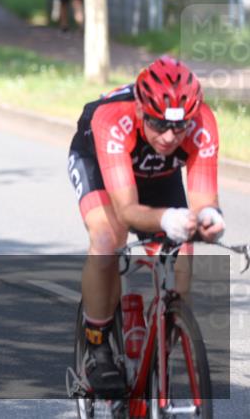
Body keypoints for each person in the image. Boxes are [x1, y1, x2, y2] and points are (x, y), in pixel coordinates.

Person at [67, 56, 225, 396]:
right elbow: (127, 211)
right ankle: (97, 346)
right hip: (103, 164)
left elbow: (202, 201)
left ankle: (160, 349)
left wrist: (209, 219)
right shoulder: (113, 118)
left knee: (182, 260)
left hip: (159, 174)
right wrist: (167, 218)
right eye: (158, 124)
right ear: (140, 110)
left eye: (180, 126)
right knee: (108, 238)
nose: (170, 137)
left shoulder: (202, 123)